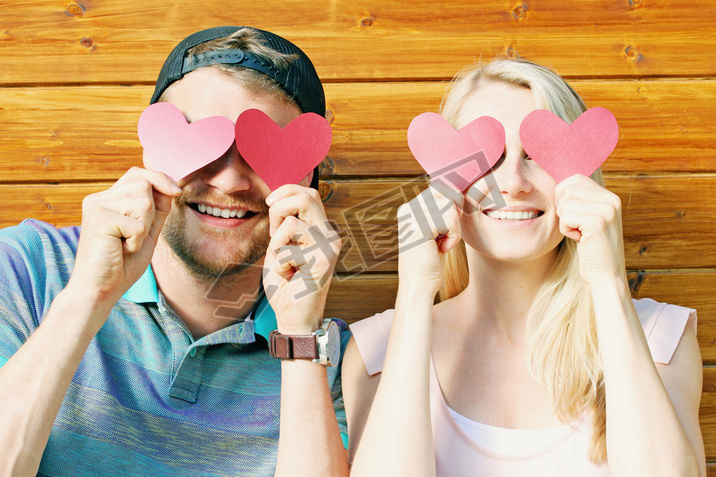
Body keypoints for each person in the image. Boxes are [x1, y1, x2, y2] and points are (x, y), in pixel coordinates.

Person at [0, 26, 350, 476]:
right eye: (203, 141)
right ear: (152, 151)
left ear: (304, 182)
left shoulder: (328, 359)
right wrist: (88, 296)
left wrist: (300, 331)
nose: (228, 182)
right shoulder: (28, 268)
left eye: (261, 153)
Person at [342, 59, 706, 476]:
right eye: (487, 157)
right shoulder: (376, 349)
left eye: (537, 155)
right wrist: (414, 293)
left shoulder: (662, 339)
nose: (513, 182)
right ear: (442, 179)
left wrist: (608, 284)